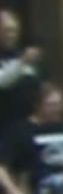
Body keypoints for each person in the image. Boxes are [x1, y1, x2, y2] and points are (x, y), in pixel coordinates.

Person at [0, 83, 63, 194]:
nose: (57, 109)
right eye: (52, 104)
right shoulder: (20, 131)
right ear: (38, 105)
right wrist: (13, 192)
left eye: (60, 104)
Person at [0, 10, 42, 138]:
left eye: (14, 30)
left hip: (28, 126)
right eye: (7, 30)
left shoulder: (21, 56)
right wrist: (22, 62)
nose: (11, 35)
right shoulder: (23, 60)